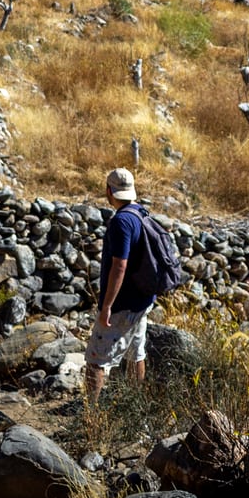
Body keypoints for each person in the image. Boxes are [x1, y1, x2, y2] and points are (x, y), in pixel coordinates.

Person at [83, 167, 154, 397]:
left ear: (109, 191)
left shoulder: (120, 222)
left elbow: (119, 266)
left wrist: (107, 307)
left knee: (96, 360)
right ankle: (135, 409)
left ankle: (90, 420)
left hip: (122, 304)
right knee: (136, 354)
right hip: (142, 301)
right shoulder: (142, 214)